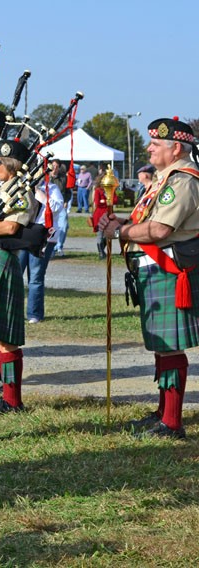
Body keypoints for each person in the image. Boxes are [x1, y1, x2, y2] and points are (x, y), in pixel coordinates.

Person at [99, 117, 199, 439]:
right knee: (161, 345)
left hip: (169, 271)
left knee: (169, 347)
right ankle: (162, 413)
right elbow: (148, 220)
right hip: (156, 270)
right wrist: (123, 221)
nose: (149, 148)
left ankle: (171, 423)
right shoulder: (164, 178)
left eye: (155, 144)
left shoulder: (183, 181)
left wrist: (121, 230)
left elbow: (159, 230)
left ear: (176, 148)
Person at [0, 140, 38, 413]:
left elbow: (10, 226)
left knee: (3, 335)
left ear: (11, 165)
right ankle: (7, 395)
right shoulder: (2, 190)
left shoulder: (22, 192)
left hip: (3, 259)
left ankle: (12, 399)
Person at [18, 171, 65, 323]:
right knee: (16, 274)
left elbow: (56, 207)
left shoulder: (52, 189)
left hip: (44, 238)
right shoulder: (22, 188)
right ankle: (14, 310)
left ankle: (34, 314)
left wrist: (39, 192)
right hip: (23, 235)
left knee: (36, 277)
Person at [91, 174, 118, 260]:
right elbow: (98, 202)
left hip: (109, 214)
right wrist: (107, 201)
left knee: (108, 234)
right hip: (99, 214)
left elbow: (115, 200)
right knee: (100, 233)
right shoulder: (98, 190)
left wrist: (105, 201)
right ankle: (100, 252)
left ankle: (102, 249)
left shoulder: (112, 190)